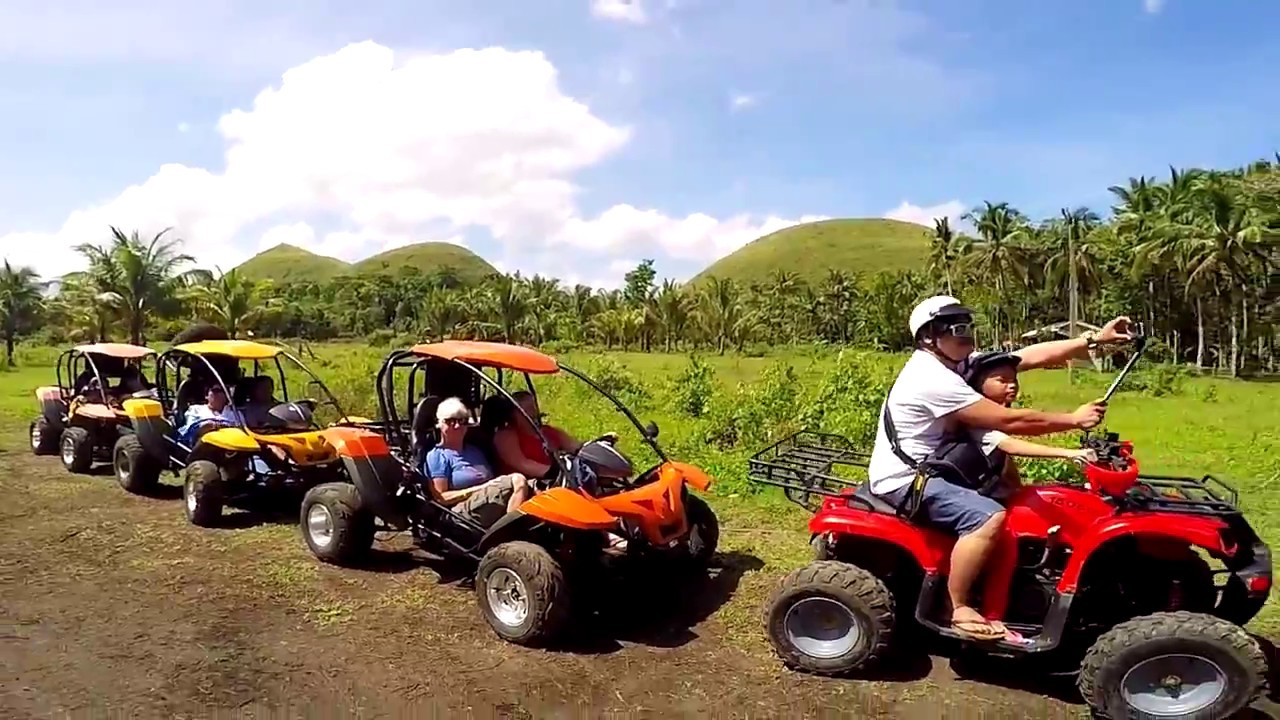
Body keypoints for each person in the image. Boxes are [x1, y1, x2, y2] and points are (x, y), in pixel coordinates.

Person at [866, 294, 1131, 641]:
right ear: (929, 336)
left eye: (969, 327)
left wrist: (1094, 339)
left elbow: (1029, 356)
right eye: (956, 328)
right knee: (986, 516)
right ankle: (958, 607)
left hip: (942, 467)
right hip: (906, 479)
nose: (967, 336)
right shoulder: (930, 378)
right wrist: (1072, 420)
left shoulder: (956, 363)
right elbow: (1011, 420)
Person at [959, 351, 1098, 504]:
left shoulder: (996, 413)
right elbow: (1011, 445)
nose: (1012, 385)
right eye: (1002, 380)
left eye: (1014, 380)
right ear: (979, 385)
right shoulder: (977, 418)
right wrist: (1069, 453)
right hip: (979, 496)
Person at [425, 396, 531, 528]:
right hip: (460, 511)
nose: (457, 426)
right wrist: (483, 488)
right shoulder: (438, 456)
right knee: (517, 479)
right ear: (440, 424)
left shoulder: (475, 450)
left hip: (487, 500)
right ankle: (508, 530)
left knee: (535, 485)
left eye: (462, 421)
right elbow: (441, 498)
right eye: (450, 421)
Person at [491, 390, 584, 478]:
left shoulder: (549, 432)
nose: (533, 412)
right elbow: (523, 464)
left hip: (560, 479)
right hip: (529, 485)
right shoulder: (506, 436)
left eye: (533, 407)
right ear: (514, 415)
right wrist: (558, 472)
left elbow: (577, 448)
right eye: (526, 410)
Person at [178, 384, 243, 444]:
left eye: (223, 391)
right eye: (215, 390)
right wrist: (208, 427)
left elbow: (243, 433)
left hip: (230, 446)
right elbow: (191, 432)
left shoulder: (235, 414)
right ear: (207, 395)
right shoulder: (196, 410)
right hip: (204, 446)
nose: (219, 394)